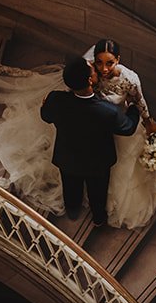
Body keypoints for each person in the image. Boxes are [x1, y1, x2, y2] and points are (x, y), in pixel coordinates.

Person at [39, 58, 140, 226]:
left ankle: (72, 212)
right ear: (89, 80)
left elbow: (46, 116)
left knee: (71, 190)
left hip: (68, 159)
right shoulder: (107, 111)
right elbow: (128, 128)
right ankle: (99, 219)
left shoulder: (55, 100)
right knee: (97, 194)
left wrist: (45, 106)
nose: (96, 70)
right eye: (93, 70)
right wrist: (133, 110)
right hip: (97, 164)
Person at [86, 39, 156, 228]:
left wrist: (148, 121)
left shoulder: (129, 79)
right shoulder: (91, 72)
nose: (103, 69)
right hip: (96, 123)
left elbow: (139, 101)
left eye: (110, 62)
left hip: (118, 123)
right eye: (99, 62)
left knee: (120, 165)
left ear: (118, 59)